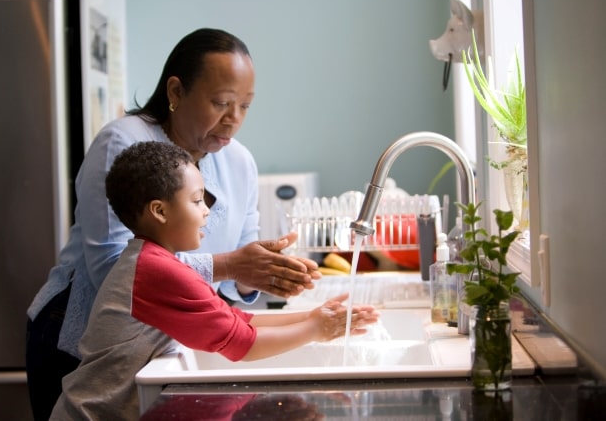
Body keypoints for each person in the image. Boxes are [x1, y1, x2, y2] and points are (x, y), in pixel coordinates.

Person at [26, 28, 321, 420]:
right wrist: (231, 264)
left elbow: (236, 282)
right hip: (78, 340)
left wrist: (266, 272)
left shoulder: (240, 162)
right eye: (221, 102)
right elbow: (113, 271)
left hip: (161, 345)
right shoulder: (123, 142)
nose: (233, 120)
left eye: (245, 106)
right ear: (176, 92)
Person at [49, 141, 378, 419]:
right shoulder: (155, 271)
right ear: (160, 211)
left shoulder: (154, 261)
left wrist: (314, 316)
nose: (206, 210)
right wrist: (318, 329)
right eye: (196, 200)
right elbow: (244, 345)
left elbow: (239, 320)